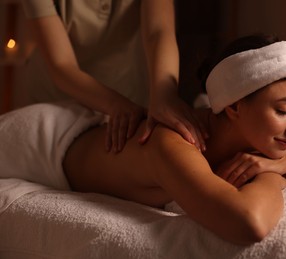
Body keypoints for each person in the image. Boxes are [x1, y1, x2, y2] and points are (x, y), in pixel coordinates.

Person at [0, 34, 286, 245]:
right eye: (284, 109)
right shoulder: (174, 143)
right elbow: (247, 223)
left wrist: (283, 161)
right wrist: (273, 176)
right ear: (234, 107)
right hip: (37, 141)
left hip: (85, 129)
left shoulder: (263, 134)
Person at [21, 0, 207, 153]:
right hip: (57, 98)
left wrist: (164, 94)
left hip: (128, 89)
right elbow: (62, 65)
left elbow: (158, 31)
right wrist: (116, 104)